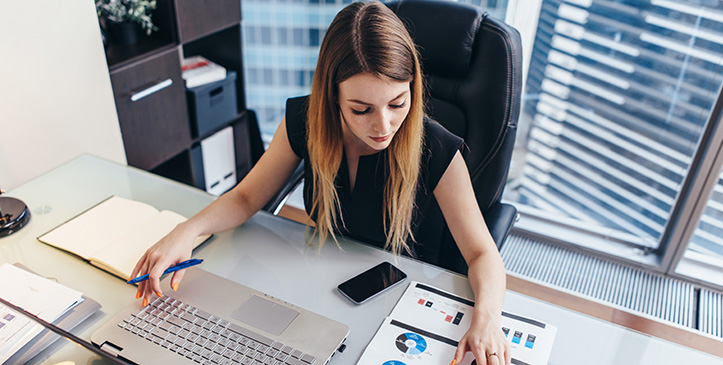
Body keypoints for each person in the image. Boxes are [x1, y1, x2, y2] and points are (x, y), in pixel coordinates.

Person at [131, 1, 511, 364]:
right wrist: (186, 231)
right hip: (324, 291)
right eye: (361, 110)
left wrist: (488, 317)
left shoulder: (436, 148)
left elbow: (482, 254)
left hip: (401, 306)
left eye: (397, 103)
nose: (383, 126)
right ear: (333, 95)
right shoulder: (305, 120)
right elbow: (247, 196)